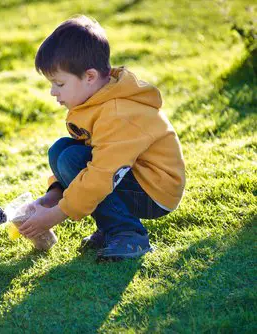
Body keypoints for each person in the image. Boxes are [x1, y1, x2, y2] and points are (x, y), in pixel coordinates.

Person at [18, 15, 186, 261]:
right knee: (61, 151)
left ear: (89, 76)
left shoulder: (117, 113)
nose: (53, 92)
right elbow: (94, 156)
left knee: (72, 160)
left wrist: (56, 214)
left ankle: (129, 235)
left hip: (155, 191)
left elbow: (101, 174)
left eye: (59, 84)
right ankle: (110, 228)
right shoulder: (97, 100)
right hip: (132, 176)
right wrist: (53, 194)